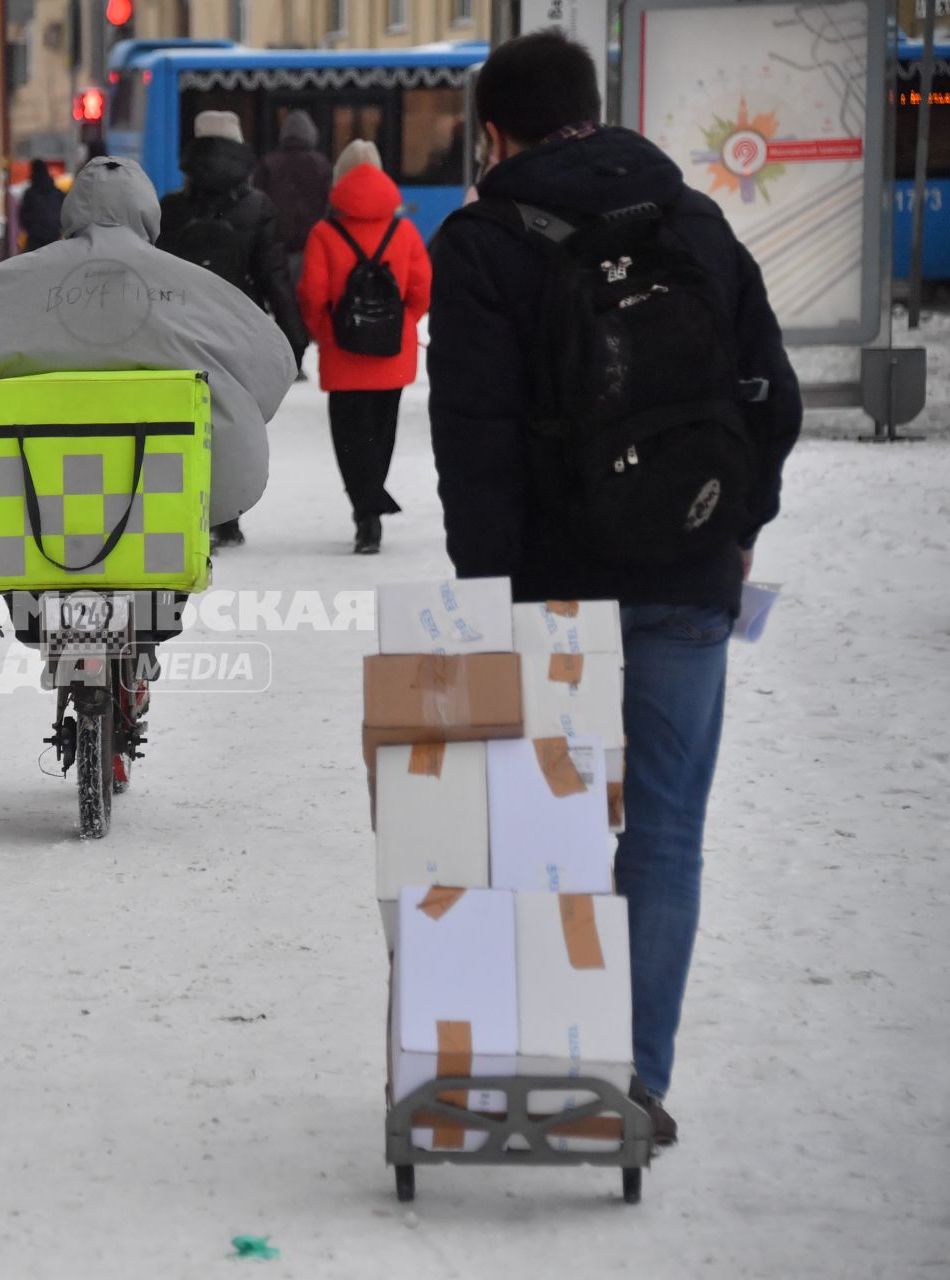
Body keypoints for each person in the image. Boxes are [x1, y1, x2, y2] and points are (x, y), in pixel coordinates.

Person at [426, 31, 801, 1146]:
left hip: (552, 588)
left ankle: (542, 1057)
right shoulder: (690, 218)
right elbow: (770, 396)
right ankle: (636, 1075)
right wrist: (738, 528)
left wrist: (484, 596)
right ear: (596, 106)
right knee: (667, 835)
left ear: (495, 132)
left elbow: (475, 444)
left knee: (547, 824)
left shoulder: (482, 240)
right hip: (689, 567)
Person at [0, 156, 296, 693]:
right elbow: (273, 362)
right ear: (149, 216)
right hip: (156, 491)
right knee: (165, 550)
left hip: (37, 493)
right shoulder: (189, 287)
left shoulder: (14, 282)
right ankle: (143, 643)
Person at [156, 111, 308, 550]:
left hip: (181, 330)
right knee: (234, 421)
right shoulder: (258, 207)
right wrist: (294, 338)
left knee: (188, 420)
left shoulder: (172, 208)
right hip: (238, 328)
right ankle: (229, 517)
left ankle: (193, 509)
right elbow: (274, 275)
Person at [297, 139, 431, 555]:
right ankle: (372, 506)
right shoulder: (404, 231)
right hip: (393, 351)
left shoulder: (324, 233)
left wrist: (325, 332)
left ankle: (365, 512)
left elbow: (311, 293)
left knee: (349, 436)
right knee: (381, 432)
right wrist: (403, 323)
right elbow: (422, 289)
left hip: (343, 351)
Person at [254, 110, 333, 289]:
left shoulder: (268, 164)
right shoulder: (321, 165)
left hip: (275, 249)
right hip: (311, 249)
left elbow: (258, 205)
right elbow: (330, 207)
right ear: (311, 135)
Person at [17, 158, 67, 252]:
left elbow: (23, 216)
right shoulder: (57, 192)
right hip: (54, 236)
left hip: (35, 238)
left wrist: (30, 227)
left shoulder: (30, 193)